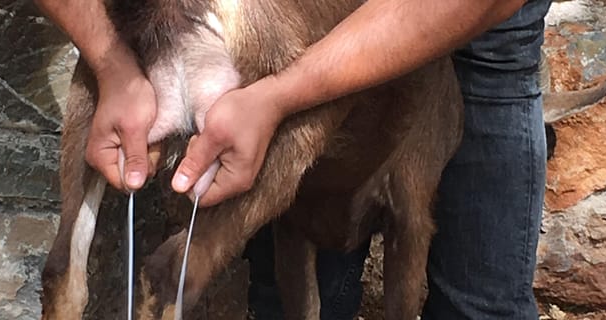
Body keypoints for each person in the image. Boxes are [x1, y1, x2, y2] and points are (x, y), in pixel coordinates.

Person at [35, 0, 550, 318]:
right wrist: (112, 61)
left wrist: (279, 96)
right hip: (267, 29)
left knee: (479, 56)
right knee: (491, 66)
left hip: (270, 32)